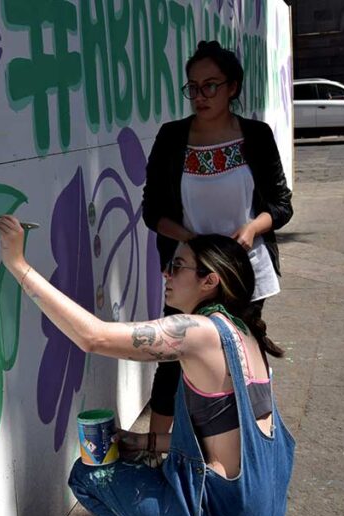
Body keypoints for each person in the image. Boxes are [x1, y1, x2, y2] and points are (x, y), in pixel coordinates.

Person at [0, 215, 298, 516]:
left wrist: (17, 263)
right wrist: (146, 439)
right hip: (260, 505)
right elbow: (225, 435)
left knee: (87, 478)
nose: (166, 274)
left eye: (177, 266)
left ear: (210, 281)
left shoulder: (199, 332)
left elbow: (95, 337)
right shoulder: (244, 333)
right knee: (149, 471)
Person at [142, 41, 293, 437]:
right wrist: (192, 241)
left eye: (211, 85)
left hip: (244, 270)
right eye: (193, 87)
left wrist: (251, 229)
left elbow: (281, 204)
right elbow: (152, 211)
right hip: (189, 273)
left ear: (233, 87)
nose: (200, 96)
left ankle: (248, 445)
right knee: (172, 358)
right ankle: (156, 450)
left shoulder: (255, 136)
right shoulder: (172, 137)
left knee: (240, 360)